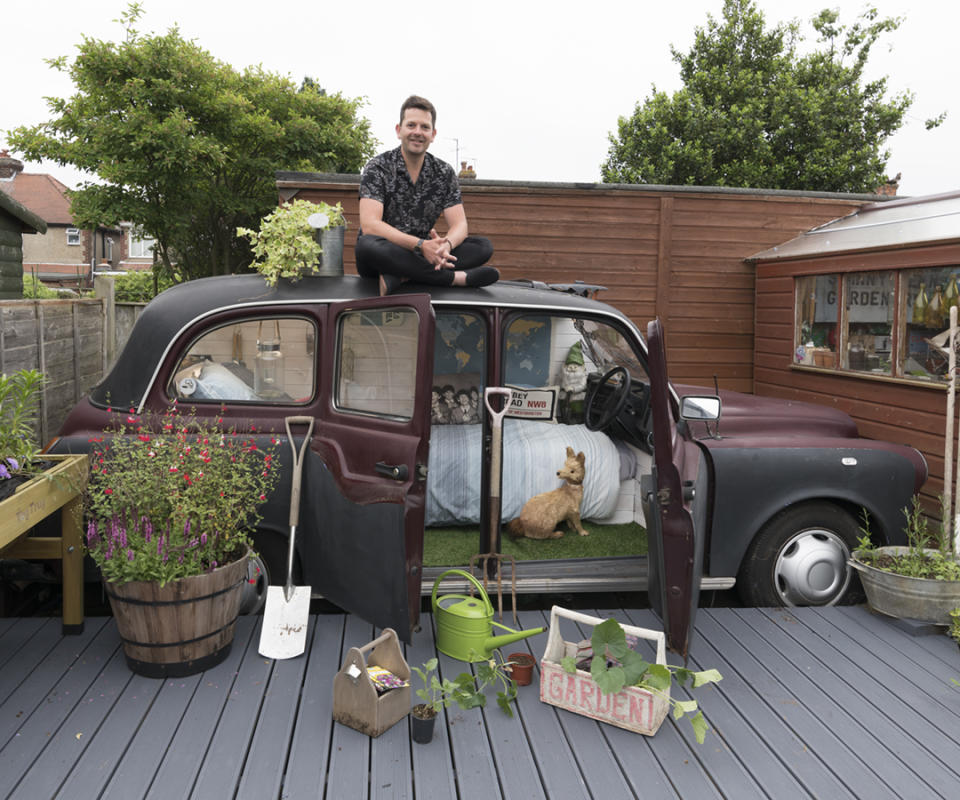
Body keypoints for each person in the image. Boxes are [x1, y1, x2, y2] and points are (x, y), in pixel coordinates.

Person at [356, 95, 498, 295]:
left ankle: (404, 275)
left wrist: (446, 245)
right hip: (386, 253)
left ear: (433, 134)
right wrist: (420, 246)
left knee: (483, 246)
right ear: (399, 130)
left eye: (424, 127)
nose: (417, 132)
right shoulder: (378, 167)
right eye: (411, 125)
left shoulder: (444, 172)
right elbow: (370, 225)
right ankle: (455, 279)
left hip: (426, 254)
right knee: (367, 244)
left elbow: (460, 225)